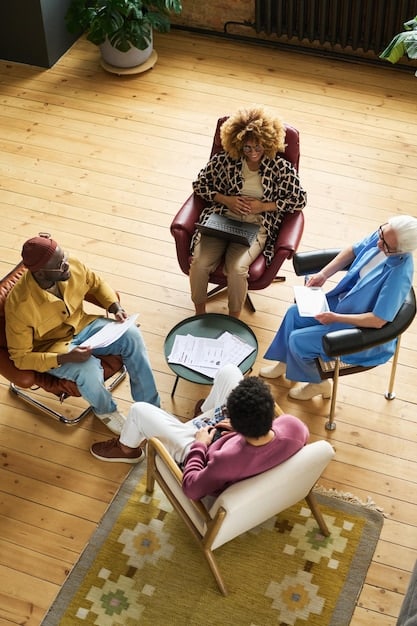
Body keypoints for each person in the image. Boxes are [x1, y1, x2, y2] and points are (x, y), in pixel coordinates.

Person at [5, 233, 160, 435]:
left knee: (131, 335)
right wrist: (66, 357)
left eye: (64, 257)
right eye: (60, 265)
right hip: (55, 349)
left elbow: (96, 283)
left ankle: (150, 408)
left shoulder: (71, 264)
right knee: (88, 369)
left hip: (84, 325)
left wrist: (114, 306)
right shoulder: (19, 305)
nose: (67, 264)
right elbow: (21, 358)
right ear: (41, 274)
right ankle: (106, 411)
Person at [90, 364, 309, 501]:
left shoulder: (225, 461)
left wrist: (200, 445)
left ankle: (126, 448)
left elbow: (192, 489)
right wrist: (237, 430)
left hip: (203, 453)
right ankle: (204, 412)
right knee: (229, 371)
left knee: (138, 411)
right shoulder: (294, 427)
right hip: (233, 440)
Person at [260, 215, 417, 400]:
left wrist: (335, 317)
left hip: (359, 324)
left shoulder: (399, 273)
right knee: (293, 313)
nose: (378, 243)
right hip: (344, 302)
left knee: (298, 340)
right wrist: (323, 274)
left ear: (401, 250)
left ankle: (319, 384)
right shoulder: (385, 236)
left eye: (386, 245)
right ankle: (285, 361)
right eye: (381, 234)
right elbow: (353, 250)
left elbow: (378, 320)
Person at [189, 106, 307, 318]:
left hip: (256, 223)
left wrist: (263, 206)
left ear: (269, 142)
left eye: (258, 147)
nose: (253, 153)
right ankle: (199, 315)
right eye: (247, 148)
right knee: (199, 264)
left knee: (236, 270)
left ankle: (234, 319)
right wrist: (227, 200)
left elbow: (299, 200)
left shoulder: (280, 167)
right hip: (222, 217)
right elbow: (199, 185)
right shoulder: (224, 160)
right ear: (238, 144)